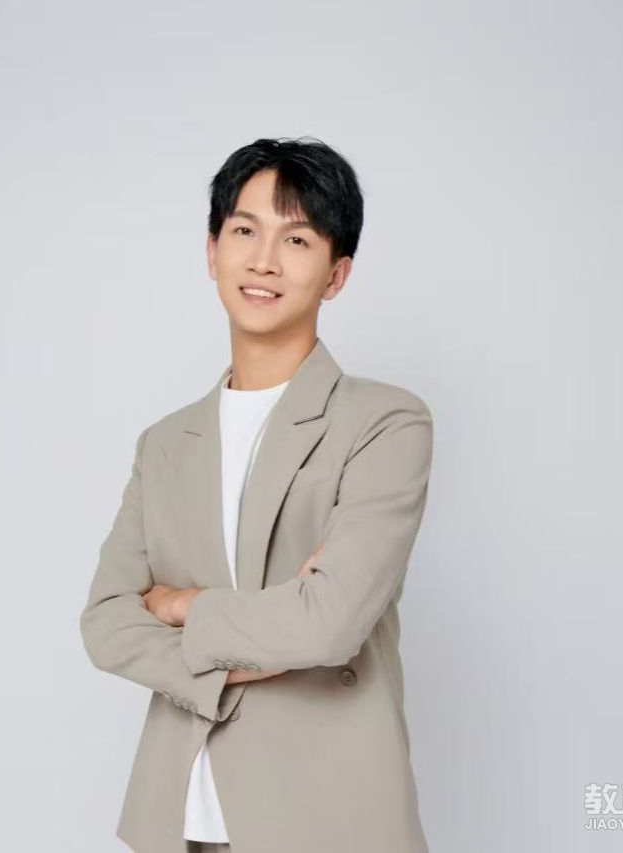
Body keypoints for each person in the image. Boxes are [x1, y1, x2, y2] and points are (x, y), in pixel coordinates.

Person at [80, 136, 434, 853]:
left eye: (296, 239)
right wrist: (249, 654)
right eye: (245, 231)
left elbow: (326, 624)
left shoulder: (385, 421)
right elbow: (106, 623)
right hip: (178, 815)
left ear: (336, 274)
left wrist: (181, 606)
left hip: (327, 813)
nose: (264, 260)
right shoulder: (164, 443)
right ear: (213, 252)